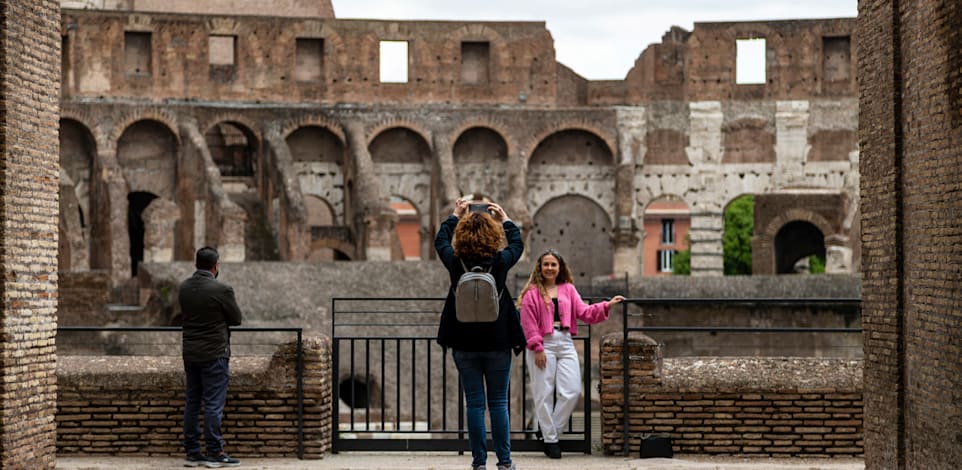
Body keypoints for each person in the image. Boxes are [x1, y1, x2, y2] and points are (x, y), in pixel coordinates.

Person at [435, 198, 525, 470]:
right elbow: (517, 244)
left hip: (463, 340)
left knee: (474, 404)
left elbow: (440, 241)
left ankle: (479, 463)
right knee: (498, 403)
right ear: (492, 235)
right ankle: (505, 462)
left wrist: (455, 215)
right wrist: (506, 219)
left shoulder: (454, 261)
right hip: (498, 339)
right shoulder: (499, 262)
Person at [518, 249, 625, 459]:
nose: (549, 268)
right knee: (543, 393)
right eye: (546, 264)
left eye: (553, 264)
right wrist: (537, 348)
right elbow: (528, 324)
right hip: (542, 343)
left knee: (572, 390)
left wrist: (607, 305)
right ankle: (550, 441)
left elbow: (584, 312)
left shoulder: (568, 289)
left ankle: (550, 432)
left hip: (565, 342)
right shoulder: (532, 293)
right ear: (540, 268)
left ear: (560, 267)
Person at [179, 246, 243, 468]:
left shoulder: (184, 288)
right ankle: (215, 453)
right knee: (213, 404)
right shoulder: (222, 290)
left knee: (193, 402)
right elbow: (236, 319)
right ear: (216, 266)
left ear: (196, 264)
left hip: (190, 353)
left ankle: (193, 452)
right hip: (215, 353)